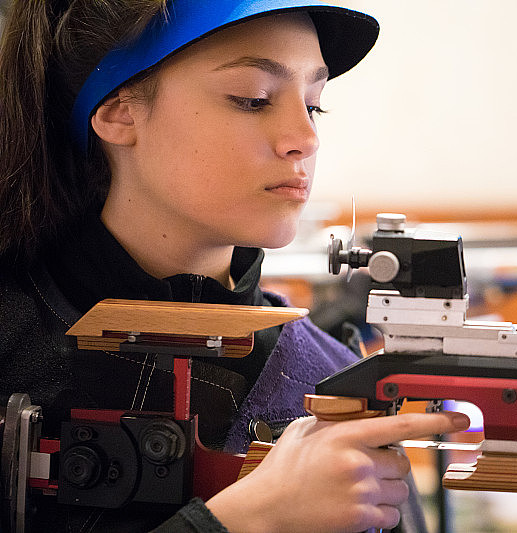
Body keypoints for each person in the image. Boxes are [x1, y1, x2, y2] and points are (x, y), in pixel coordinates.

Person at [0, 1, 469, 531]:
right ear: (117, 111)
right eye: (253, 99)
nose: (305, 138)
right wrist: (245, 520)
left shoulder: (333, 383)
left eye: (314, 105)